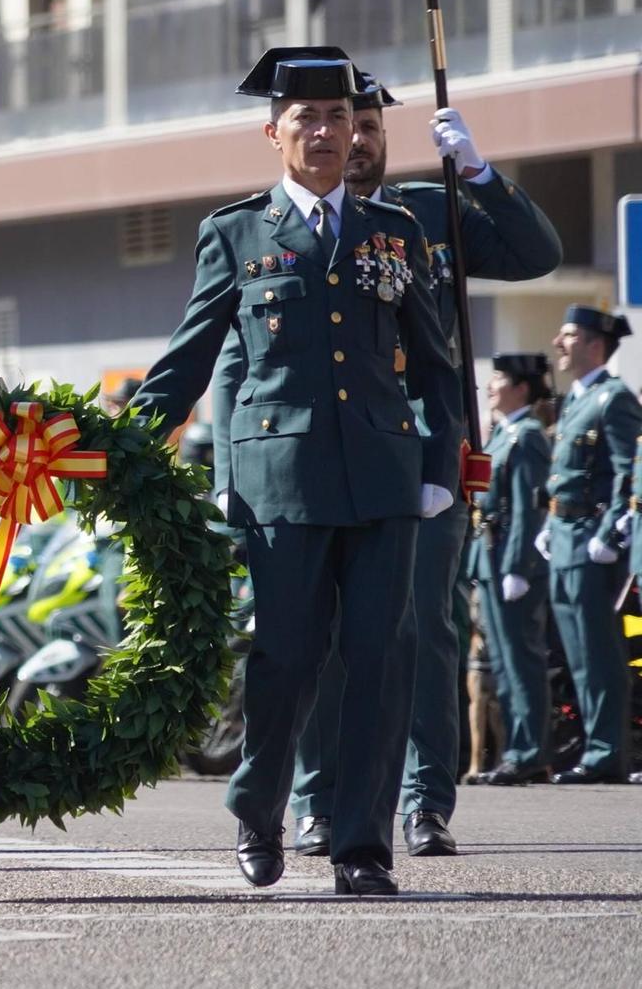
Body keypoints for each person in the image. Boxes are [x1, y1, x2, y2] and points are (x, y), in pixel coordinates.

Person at [126, 50, 459, 897]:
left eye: (337, 118)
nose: (322, 132)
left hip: (385, 480)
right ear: (271, 133)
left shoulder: (397, 233)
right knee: (285, 657)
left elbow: (435, 362)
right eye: (304, 119)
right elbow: (188, 359)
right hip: (281, 482)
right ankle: (259, 811)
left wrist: (438, 462)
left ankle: (361, 845)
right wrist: (124, 446)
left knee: (383, 659)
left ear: (356, 132)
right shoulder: (236, 233)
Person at [273, 70, 562, 859]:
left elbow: (537, 254)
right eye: (343, 122)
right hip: (329, 449)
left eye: (369, 125)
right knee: (323, 630)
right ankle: (318, 799)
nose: (356, 138)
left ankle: (425, 801)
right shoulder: (287, 223)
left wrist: (477, 173)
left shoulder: (427, 212)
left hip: (425, 450)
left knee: (423, 629)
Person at [539, 306, 638, 784]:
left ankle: (607, 753)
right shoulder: (578, 398)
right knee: (578, 654)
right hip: (563, 539)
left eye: (569, 334)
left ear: (596, 342)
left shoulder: (613, 398)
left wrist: (611, 531)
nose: (559, 342)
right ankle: (596, 745)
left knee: (599, 653)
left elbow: (629, 470)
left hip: (590, 542)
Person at [468, 354, 555, 785]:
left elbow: (527, 509)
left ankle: (530, 751)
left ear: (522, 387)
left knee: (522, 659)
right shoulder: (504, 433)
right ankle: (515, 751)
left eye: (499, 377)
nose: (490, 385)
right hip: (491, 556)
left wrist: (520, 565)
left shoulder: (528, 436)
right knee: (502, 661)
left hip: (510, 559)